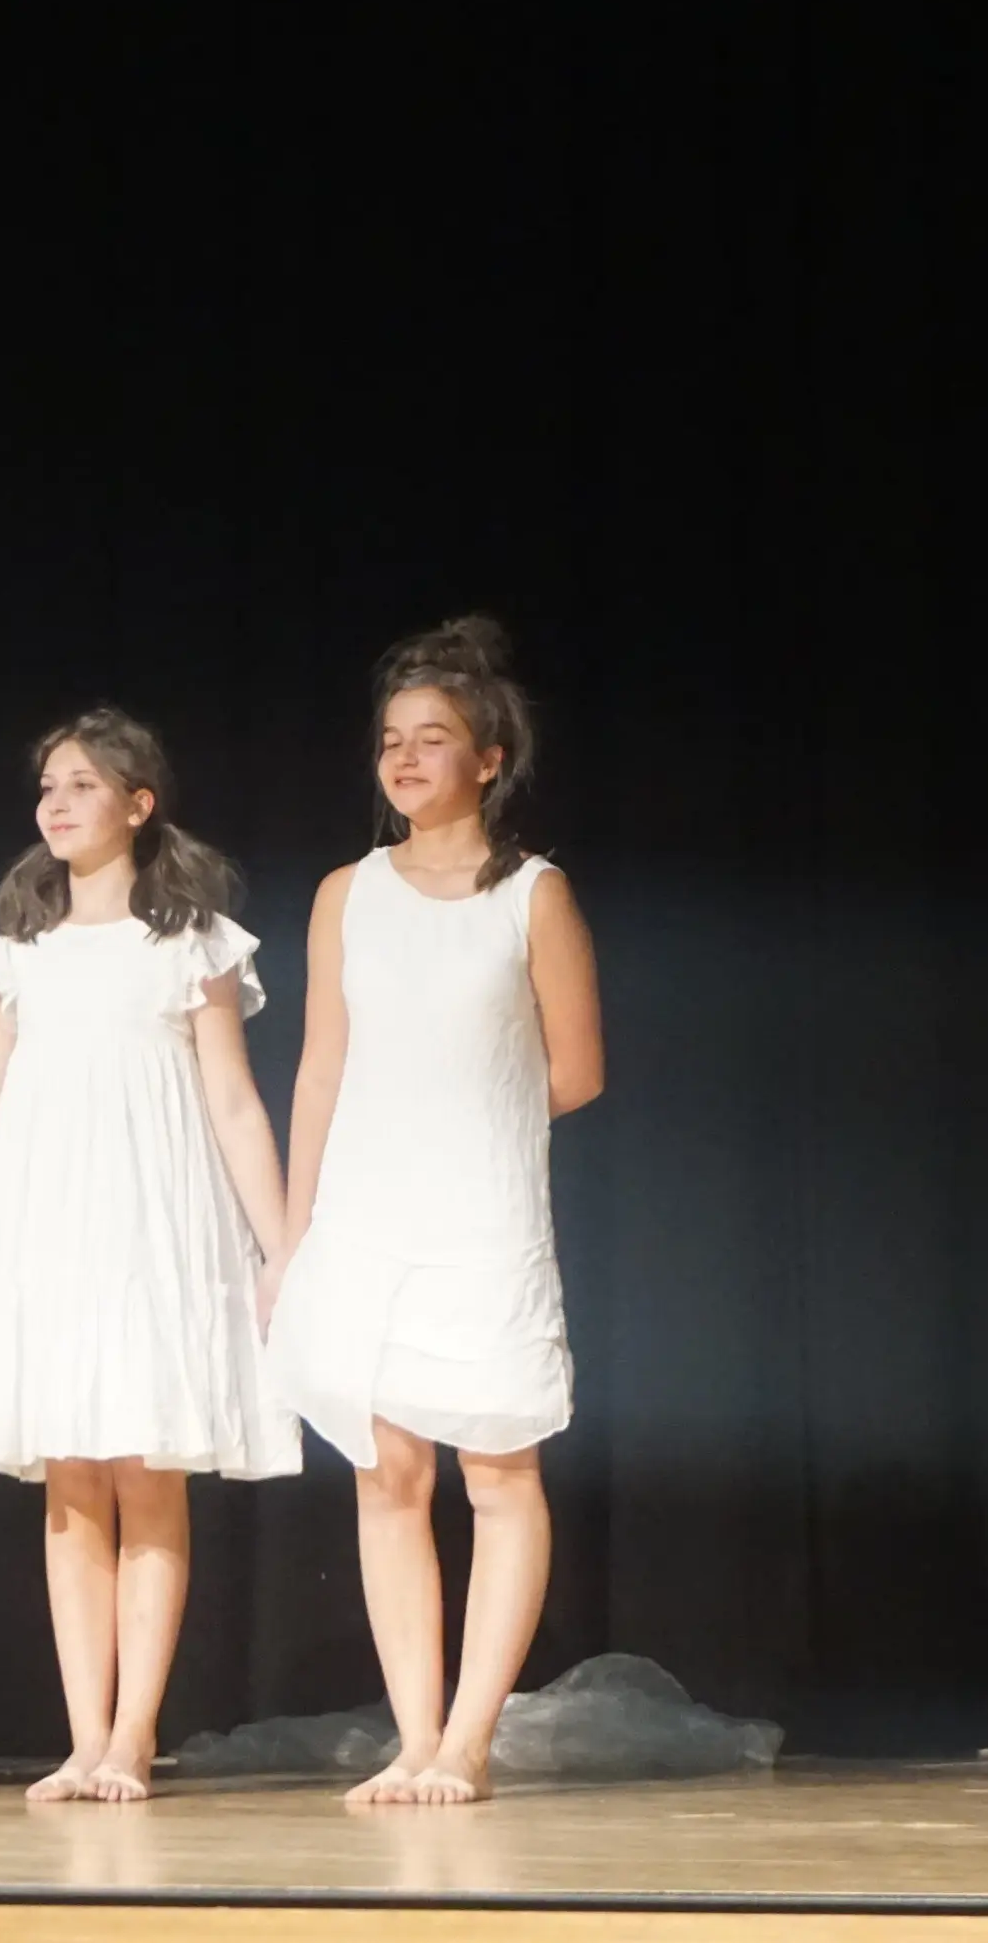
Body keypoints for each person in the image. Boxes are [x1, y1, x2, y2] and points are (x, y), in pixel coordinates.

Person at [0, 707, 301, 1804]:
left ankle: (134, 1736)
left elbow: (235, 1104)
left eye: (83, 785)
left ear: (138, 805)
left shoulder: (193, 943)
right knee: (68, 1486)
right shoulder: (19, 951)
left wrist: (282, 1249)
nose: (56, 804)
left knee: (147, 1474)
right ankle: (84, 1737)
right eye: (48, 786)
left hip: (153, 1227)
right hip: (47, 1229)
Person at [261, 617, 605, 1806]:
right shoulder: (346, 894)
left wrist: (466, 1125)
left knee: (497, 1469)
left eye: (433, 739)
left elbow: (576, 1070)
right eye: (391, 741)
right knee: (386, 1471)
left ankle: (469, 1742)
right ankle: (415, 1739)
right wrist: (291, 1238)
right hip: (364, 1216)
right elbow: (320, 1069)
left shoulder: (532, 896)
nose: (404, 759)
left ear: (489, 759)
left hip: (480, 1216)